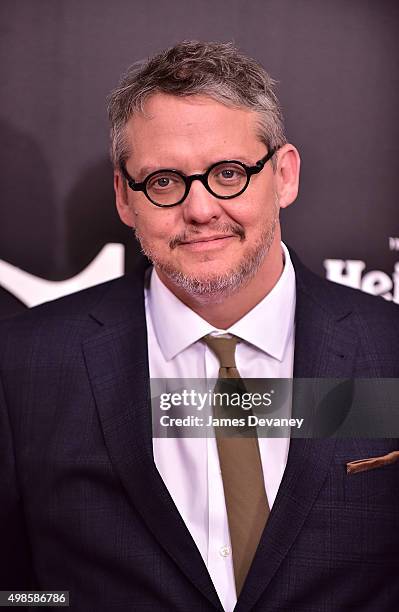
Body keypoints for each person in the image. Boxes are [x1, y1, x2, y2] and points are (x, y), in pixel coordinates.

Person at [1, 41, 398, 612]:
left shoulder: (389, 350)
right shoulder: (22, 367)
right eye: (164, 181)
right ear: (124, 197)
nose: (201, 208)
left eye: (229, 174)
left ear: (283, 175)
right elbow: (15, 592)